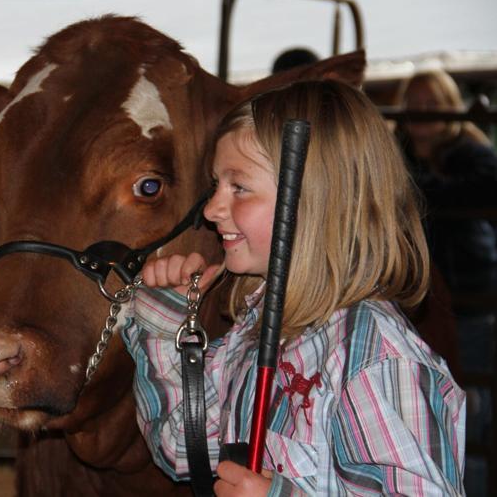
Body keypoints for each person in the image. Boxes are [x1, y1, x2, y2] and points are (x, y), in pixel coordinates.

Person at [122, 80, 465, 495]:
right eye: (216, 185)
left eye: (239, 187)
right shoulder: (255, 332)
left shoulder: (373, 356)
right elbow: (184, 447)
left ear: (314, 202)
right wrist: (165, 324)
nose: (212, 209)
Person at [396, 69, 497, 496]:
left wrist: (409, 184)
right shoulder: (394, 152)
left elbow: (478, 194)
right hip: (413, 306)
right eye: (414, 103)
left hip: (467, 300)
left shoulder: (472, 153)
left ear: (451, 108)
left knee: (468, 411)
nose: (422, 112)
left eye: (433, 103)